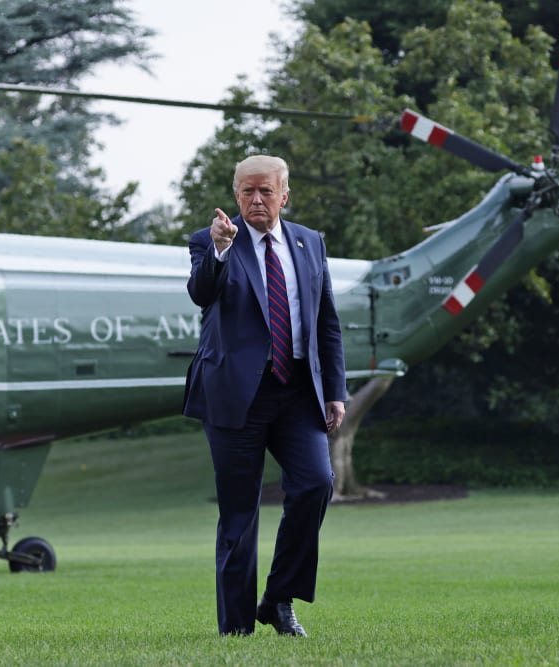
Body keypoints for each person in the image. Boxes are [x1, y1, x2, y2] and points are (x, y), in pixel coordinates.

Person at [182, 154, 347, 637]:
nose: (256, 200)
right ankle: (236, 629)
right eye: (247, 192)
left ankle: (277, 599)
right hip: (234, 394)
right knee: (239, 513)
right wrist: (219, 250)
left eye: (266, 191)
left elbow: (327, 322)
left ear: (284, 196)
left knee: (316, 483)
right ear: (236, 195)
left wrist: (335, 390)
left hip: (297, 392)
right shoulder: (211, 241)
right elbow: (201, 293)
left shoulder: (310, 242)